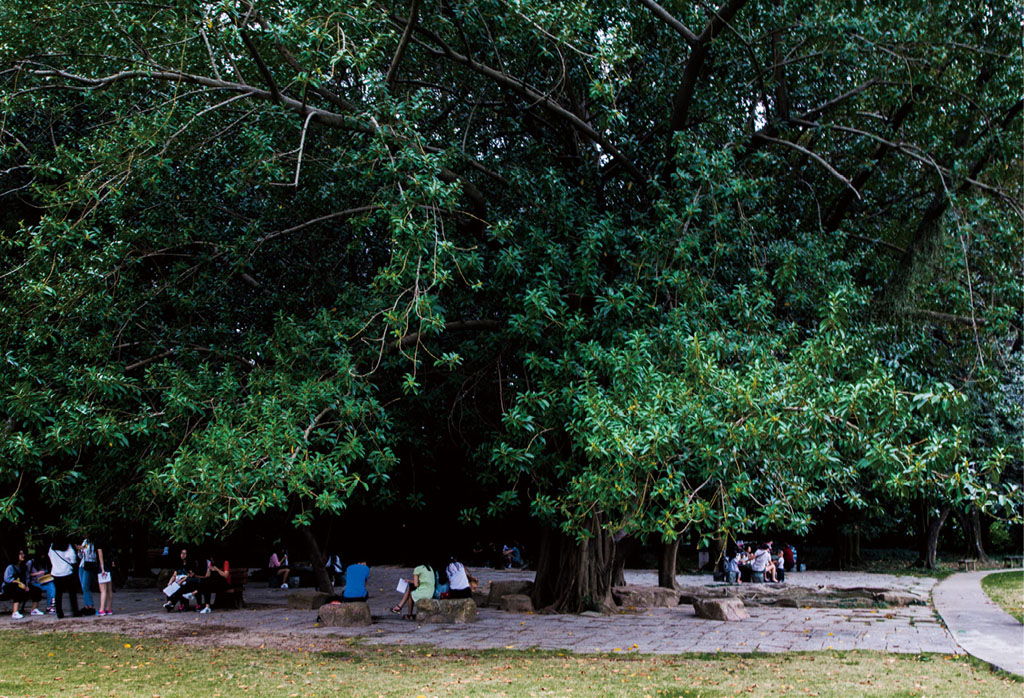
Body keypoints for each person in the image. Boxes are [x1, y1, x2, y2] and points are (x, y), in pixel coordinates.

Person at [4, 550, 44, 618]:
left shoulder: (23, 567)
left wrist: (27, 585)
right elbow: (7, 579)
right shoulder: (11, 567)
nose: (23, 555)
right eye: (20, 554)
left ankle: (34, 609)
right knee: (18, 590)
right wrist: (19, 583)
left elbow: (27, 578)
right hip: (10, 586)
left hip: (22, 585)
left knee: (36, 590)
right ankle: (15, 612)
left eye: (23, 553)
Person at [48, 535, 79, 619]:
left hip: (56, 573)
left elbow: (50, 556)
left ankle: (59, 612)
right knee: (72, 593)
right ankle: (75, 610)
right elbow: (73, 559)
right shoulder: (67, 547)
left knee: (58, 594)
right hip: (67, 572)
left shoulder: (52, 547)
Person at [76, 535, 99, 615]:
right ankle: (87, 606)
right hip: (82, 565)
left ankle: (90, 606)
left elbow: (92, 556)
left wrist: (84, 549)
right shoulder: (85, 542)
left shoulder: (93, 543)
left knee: (85, 586)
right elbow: (81, 556)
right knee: (83, 586)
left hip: (89, 564)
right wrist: (79, 550)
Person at [96, 539, 114, 615]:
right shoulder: (109, 543)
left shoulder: (99, 543)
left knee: (103, 590)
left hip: (103, 568)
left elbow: (100, 555)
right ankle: (109, 608)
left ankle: (101, 609)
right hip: (109, 566)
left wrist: (102, 568)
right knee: (109, 589)